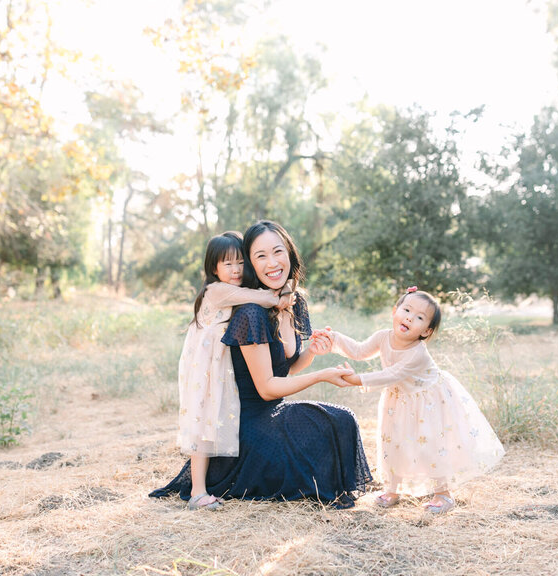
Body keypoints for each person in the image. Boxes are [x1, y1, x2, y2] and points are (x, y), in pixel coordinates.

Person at [150, 220, 372, 509]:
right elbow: (267, 388)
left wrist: (313, 354)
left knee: (342, 421)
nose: (272, 262)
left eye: (277, 251)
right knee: (333, 420)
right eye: (260, 256)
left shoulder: (294, 304)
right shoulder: (251, 313)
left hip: (273, 412)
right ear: (253, 266)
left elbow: (286, 370)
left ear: (290, 253)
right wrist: (324, 375)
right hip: (246, 426)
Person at [317, 287, 504, 514]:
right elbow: (359, 350)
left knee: (430, 444)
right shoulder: (383, 336)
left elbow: (391, 374)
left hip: (428, 401)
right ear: (395, 311)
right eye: (406, 309)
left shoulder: (417, 353)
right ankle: (392, 489)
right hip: (399, 400)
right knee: (393, 441)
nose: (409, 317)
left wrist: (357, 379)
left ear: (426, 331)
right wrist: (334, 338)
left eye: (419, 317)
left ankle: (443, 493)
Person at [176, 231, 294, 510]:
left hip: (220, 367)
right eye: (227, 263)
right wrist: (281, 294)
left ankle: (210, 482)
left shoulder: (234, 291)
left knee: (215, 420)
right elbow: (260, 298)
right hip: (205, 371)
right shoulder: (216, 290)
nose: (236, 269)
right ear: (213, 268)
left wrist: (285, 291)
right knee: (203, 424)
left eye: (241, 261)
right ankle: (197, 492)